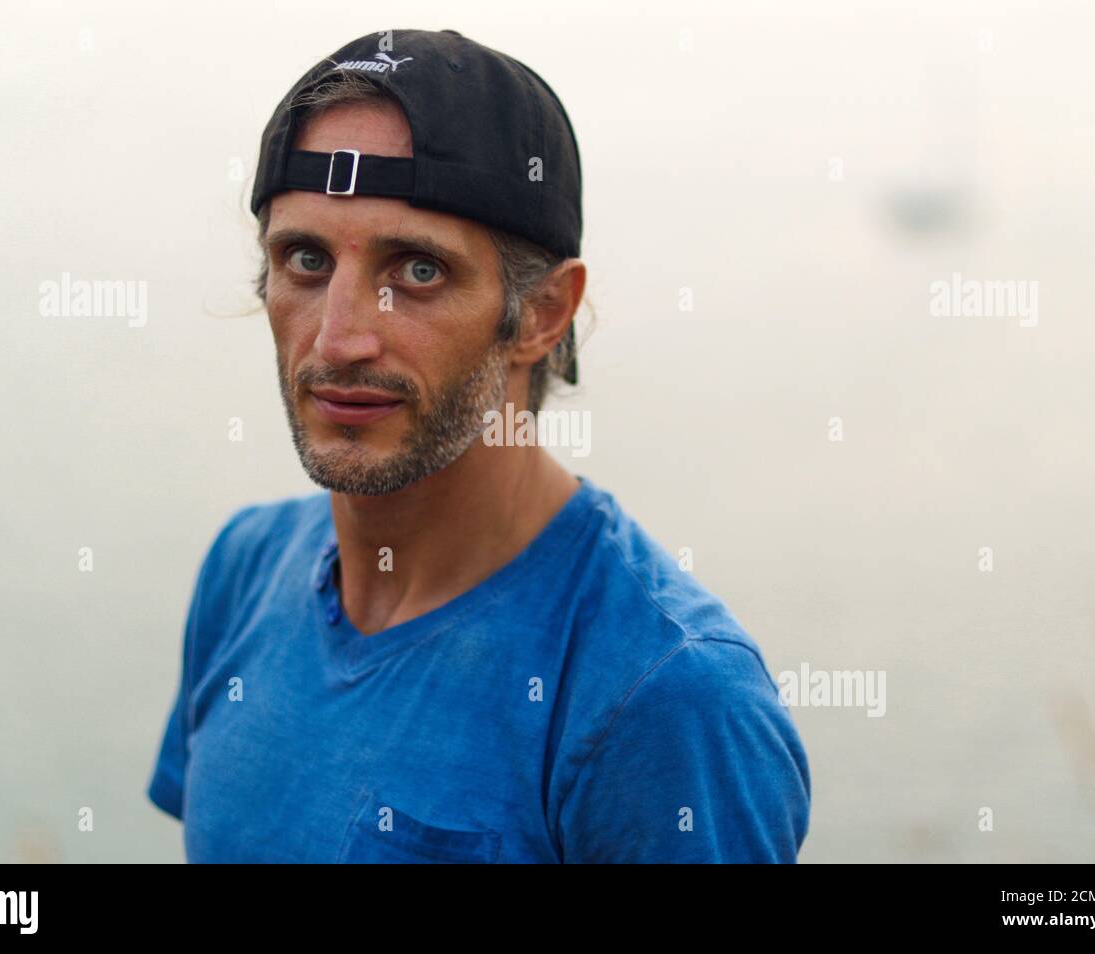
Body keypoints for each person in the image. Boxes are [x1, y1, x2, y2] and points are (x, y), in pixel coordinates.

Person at [147, 28, 810, 862]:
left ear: (541, 314)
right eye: (307, 259)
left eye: (417, 270)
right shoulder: (245, 569)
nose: (341, 338)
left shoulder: (664, 695)